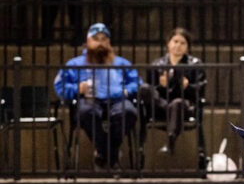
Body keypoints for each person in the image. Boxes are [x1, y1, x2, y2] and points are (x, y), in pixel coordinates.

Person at [54, 23, 139, 170]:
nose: (100, 42)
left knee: (129, 112)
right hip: (89, 100)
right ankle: (111, 156)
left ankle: (102, 155)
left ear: (109, 42)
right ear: (88, 41)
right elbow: (59, 86)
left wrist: (128, 91)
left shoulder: (121, 63)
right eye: (96, 38)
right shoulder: (74, 64)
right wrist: (77, 89)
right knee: (86, 112)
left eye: (104, 38)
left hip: (117, 100)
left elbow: (137, 83)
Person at [138, 27, 206, 160]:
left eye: (182, 43)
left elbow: (200, 90)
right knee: (144, 88)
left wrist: (187, 87)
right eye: (175, 41)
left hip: (183, 107)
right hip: (160, 107)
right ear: (168, 43)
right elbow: (150, 90)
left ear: (187, 47)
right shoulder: (157, 64)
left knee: (177, 103)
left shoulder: (194, 64)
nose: (178, 46)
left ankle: (170, 140)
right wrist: (160, 86)